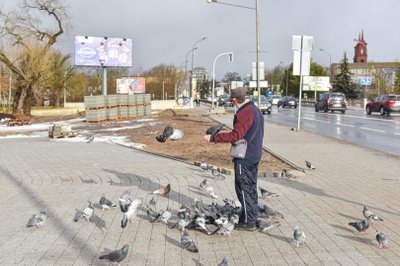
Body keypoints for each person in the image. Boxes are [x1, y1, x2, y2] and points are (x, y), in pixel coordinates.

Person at [203, 87, 264, 231]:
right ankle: (251, 214)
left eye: (233, 100)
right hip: (254, 153)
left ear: (237, 99)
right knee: (250, 186)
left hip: (245, 156)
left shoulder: (245, 112)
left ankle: (248, 221)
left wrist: (213, 138)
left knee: (243, 187)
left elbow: (236, 135)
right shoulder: (255, 109)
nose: (233, 103)